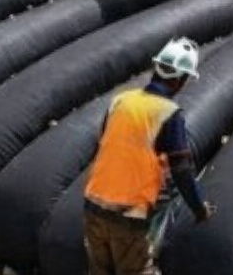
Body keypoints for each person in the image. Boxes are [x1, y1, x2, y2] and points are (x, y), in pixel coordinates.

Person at [83, 37, 215, 275]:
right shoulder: (168, 113)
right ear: (180, 79)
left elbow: (105, 147)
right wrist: (199, 209)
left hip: (93, 206)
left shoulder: (120, 101)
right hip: (127, 216)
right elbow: (182, 170)